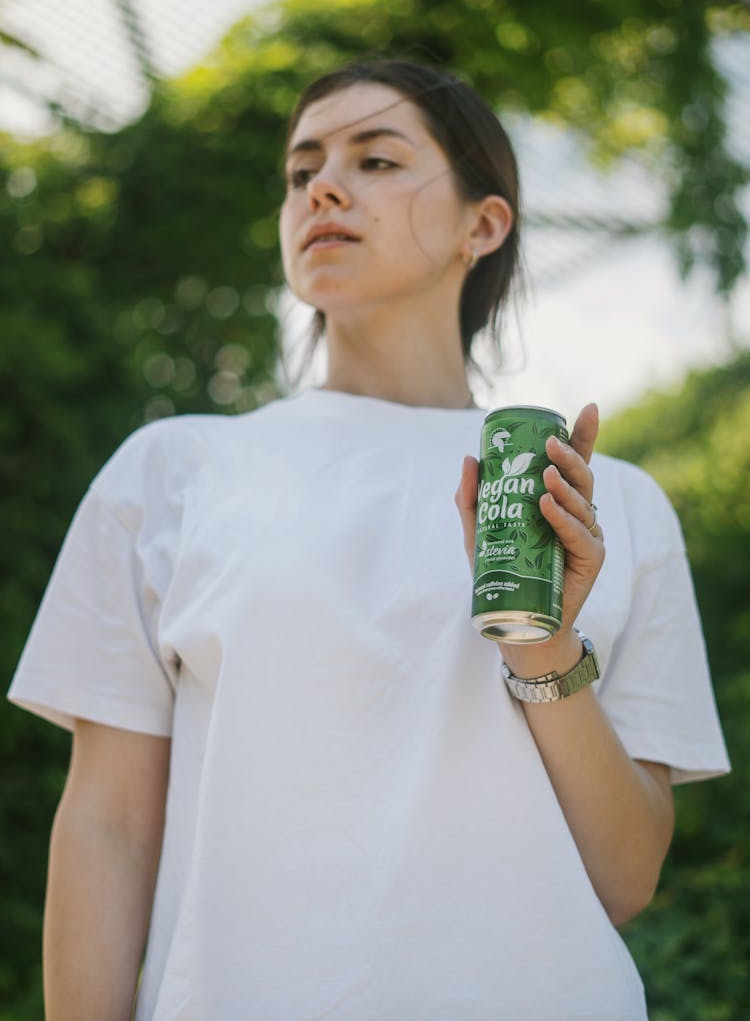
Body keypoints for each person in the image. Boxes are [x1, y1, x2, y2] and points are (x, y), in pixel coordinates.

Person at [8, 58, 730, 1020]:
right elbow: (105, 825)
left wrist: (545, 643)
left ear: (483, 223)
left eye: (377, 159)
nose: (324, 187)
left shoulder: (609, 504)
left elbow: (623, 877)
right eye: (302, 170)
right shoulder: (172, 472)